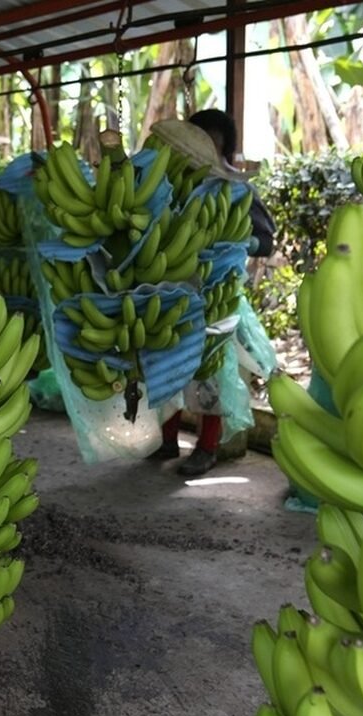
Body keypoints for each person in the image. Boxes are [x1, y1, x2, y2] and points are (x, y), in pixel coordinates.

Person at [154, 109, 277, 476]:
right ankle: (166, 440)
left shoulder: (237, 190)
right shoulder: (170, 186)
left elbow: (267, 242)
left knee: (209, 377)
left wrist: (237, 240)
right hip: (171, 291)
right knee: (166, 371)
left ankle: (206, 448)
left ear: (225, 152)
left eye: (211, 147)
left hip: (217, 295)